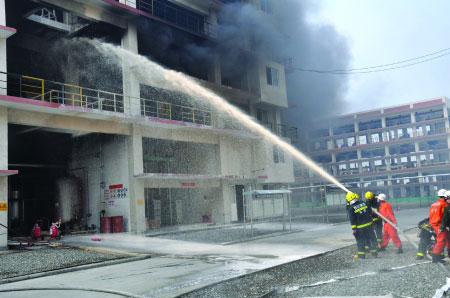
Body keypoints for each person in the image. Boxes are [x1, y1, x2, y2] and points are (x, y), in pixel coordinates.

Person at [346, 192, 378, 259]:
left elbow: (352, 219)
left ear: (348, 200)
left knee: (360, 241)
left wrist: (354, 229)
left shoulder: (351, 208)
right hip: (369, 225)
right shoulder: (363, 202)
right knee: (372, 239)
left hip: (360, 228)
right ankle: (375, 254)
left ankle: (362, 256)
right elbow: (370, 212)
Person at [430, 189, 448, 263]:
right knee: (441, 240)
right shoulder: (444, 204)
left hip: (434, 224)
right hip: (440, 224)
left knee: (447, 237)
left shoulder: (434, 204)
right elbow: (445, 216)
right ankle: (435, 257)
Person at [438, 190, 450, 259]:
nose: (447, 201)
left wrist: (441, 227)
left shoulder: (447, 208)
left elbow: (444, 218)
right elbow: (444, 218)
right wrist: (442, 227)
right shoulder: (447, 208)